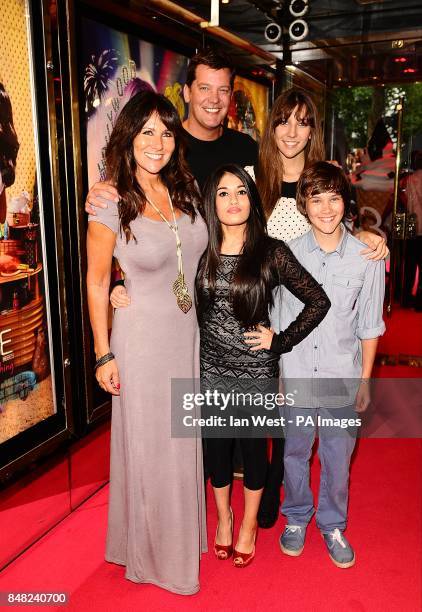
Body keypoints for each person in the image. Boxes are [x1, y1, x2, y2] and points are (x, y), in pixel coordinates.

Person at [245, 88, 389, 528]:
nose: (292, 131)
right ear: (271, 128)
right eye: (283, 120)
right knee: (271, 430)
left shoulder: (321, 182)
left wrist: (368, 235)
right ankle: (273, 505)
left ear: (312, 131)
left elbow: (341, 234)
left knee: (307, 429)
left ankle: (305, 511)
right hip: (261, 318)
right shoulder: (254, 180)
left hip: (308, 337)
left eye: (302, 122)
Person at [86, 91, 208, 595]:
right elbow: (96, 281)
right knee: (152, 449)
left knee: (180, 443)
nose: (157, 143)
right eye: (146, 132)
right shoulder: (111, 200)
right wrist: (102, 352)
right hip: (142, 341)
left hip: (187, 336)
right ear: (129, 137)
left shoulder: (186, 188)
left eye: (166, 131)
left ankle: (176, 535)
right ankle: (157, 557)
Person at [195, 163, 331, 567]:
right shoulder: (202, 247)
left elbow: (318, 301)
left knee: (255, 454)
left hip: (255, 374)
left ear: (253, 199)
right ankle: (224, 518)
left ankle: (249, 524)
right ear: (211, 201)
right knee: (217, 455)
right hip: (211, 372)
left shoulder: (271, 251)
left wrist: (281, 341)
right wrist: (118, 286)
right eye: (223, 192)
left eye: (241, 191)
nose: (233, 200)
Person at [278, 161, 385, 568]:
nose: (326, 208)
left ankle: (333, 523)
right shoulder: (286, 255)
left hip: (343, 372)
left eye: (334, 198)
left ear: (346, 202)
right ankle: (296, 517)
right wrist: (281, 375)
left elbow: (370, 324)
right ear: (304, 205)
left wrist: (365, 380)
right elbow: (279, 320)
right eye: (315, 198)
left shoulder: (367, 257)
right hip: (299, 371)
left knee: (339, 456)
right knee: (295, 452)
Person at [402, 151, 422, 310]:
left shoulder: (411, 179)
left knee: (410, 263)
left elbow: (409, 203)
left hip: (415, 224)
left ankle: (407, 297)